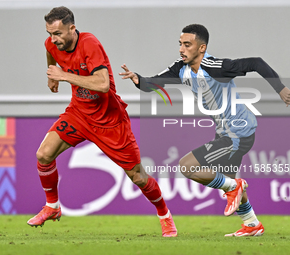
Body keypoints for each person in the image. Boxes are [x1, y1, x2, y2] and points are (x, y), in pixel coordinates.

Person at [119, 24, 290, 237]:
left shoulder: (216, 67)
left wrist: (281, 89)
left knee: (187, 166)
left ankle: (235, 189)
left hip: (238, 132)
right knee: (229, 184)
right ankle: (252, 224)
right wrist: (138, 79)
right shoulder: (181, 69)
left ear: (201, 48)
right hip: (226, 132)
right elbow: (153, 83)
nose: (181, 49)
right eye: (180, 44)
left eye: (187, 45)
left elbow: (256, 62)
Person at [27, 6, 177, 237]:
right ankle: (52, 206)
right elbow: (51, 56)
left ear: (72, 28)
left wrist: (63, 76)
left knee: (137, 176)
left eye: (57, 34)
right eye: (49, 33)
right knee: (43, 154)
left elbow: (103, 84)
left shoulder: (89, 44)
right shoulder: (51, 45)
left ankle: (165, 215)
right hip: (79, 114)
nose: (53, 39)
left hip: (110, 121)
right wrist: (52, 77)